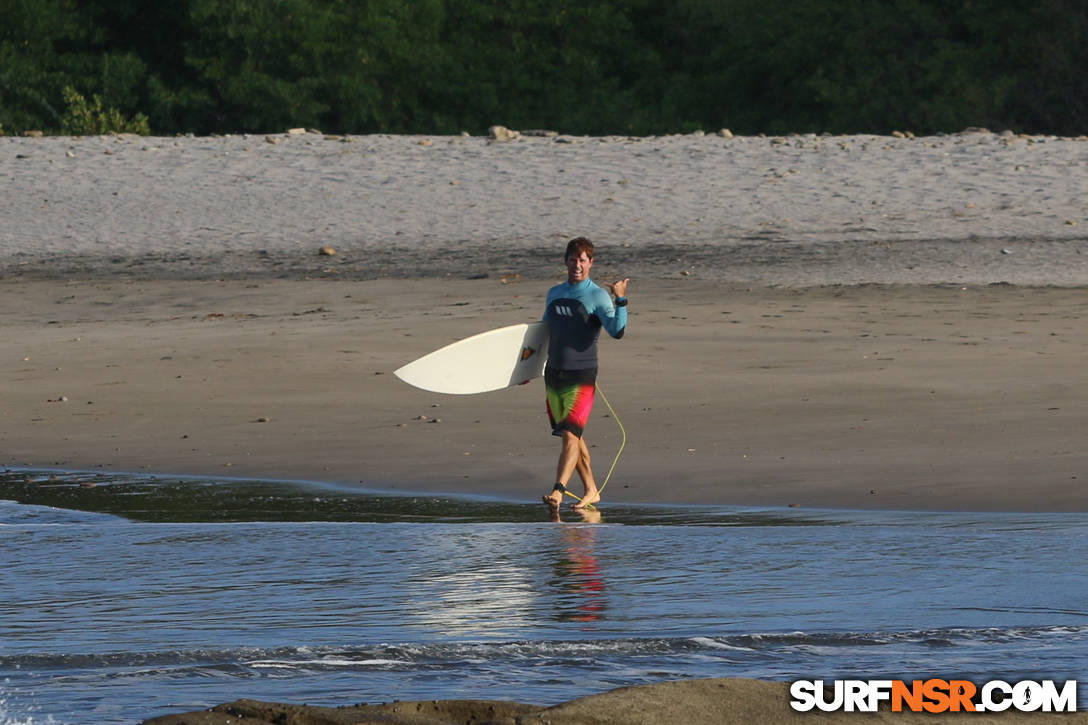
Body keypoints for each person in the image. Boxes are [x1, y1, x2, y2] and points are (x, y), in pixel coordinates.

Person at [541, 237, 628, 514]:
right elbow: (543, 333)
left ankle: (559, 489)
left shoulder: (597, 296)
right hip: (553, 374)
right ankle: (591, 490)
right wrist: (526, 368)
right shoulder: (554, 293)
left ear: (590, 263)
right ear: (565, 261)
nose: (577, 265)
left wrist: (620, 298)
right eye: (573, 259)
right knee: (574, 437)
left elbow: (617, 331)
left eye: (583, 260)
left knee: (570, 433)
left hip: (581, 375)